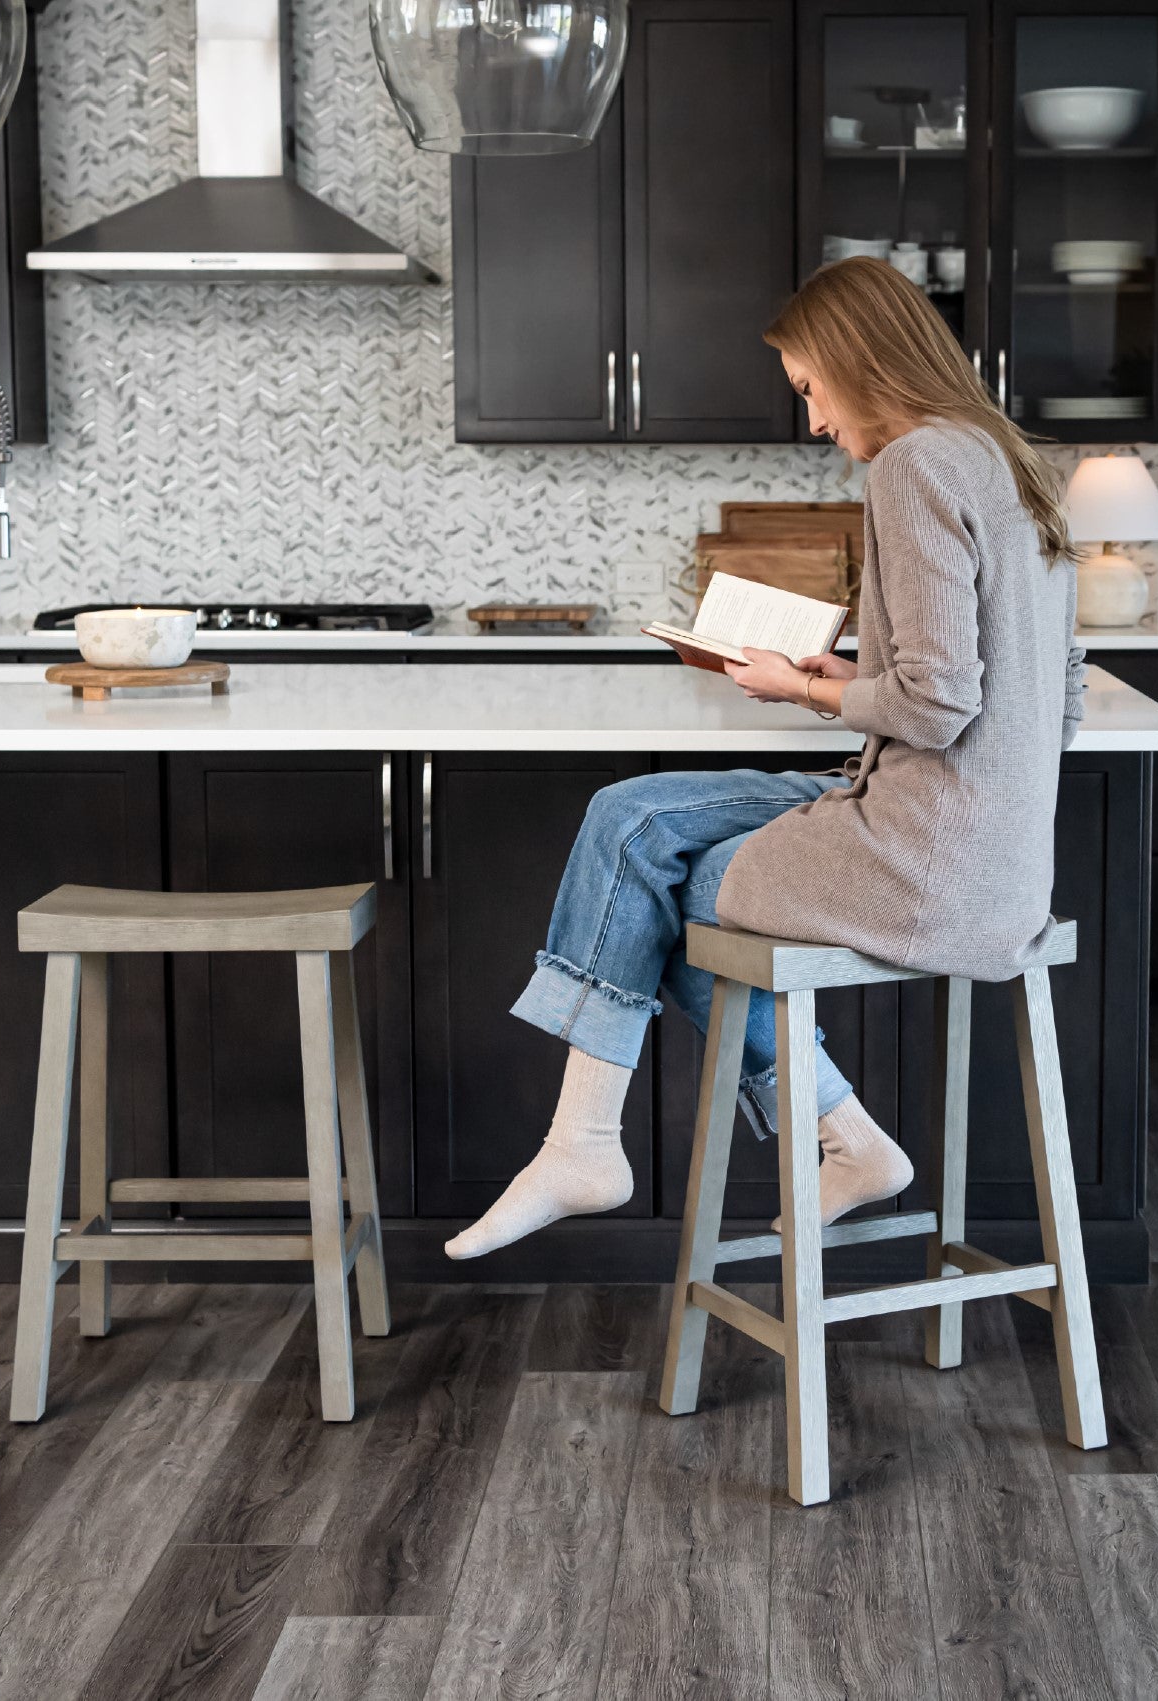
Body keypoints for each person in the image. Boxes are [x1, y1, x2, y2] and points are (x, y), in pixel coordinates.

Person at [445, 256, 1086, 1260]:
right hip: (996, 862)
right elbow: (1046, 694)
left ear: (859, 362)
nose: (817, 421)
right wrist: (855, 671)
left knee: (676, 882)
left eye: (811, 390)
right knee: (635, 816)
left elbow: (938, 705)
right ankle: (828, 1144)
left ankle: (592, 1144)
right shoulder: (1008, 460)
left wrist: (804, 688)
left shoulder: (913, 466)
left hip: (920, 860)